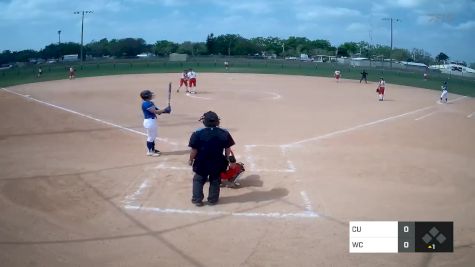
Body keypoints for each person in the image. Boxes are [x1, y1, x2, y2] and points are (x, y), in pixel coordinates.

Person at [188, 111, 235, 206]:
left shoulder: (197, 133)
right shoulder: (224, 133)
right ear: (217, 122)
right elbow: (227, 148)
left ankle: (197, 200)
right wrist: (227, 159)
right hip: (217, 161)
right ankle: (212, 200)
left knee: (198, 179)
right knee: (215, 180)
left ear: (204, 122)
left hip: (201, 162)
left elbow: (194, 150)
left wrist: (190, 159)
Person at [140, 89, 171, 157]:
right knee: (151, 137)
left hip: (151, 121)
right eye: (150, 94)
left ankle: (152, 149)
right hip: (150, 122)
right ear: (147, 96)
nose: (151, 95)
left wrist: (166, 111)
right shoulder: (147, 104)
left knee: (153, 136)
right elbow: (156, 112)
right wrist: (165, 110)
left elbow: (158, 110)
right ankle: (150, 151)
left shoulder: (149, 103)